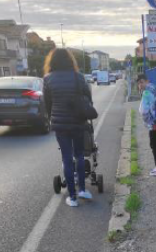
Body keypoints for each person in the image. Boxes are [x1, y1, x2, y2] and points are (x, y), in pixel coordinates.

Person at [43, 48, 93, 207]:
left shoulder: (48, 79)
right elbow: (88, 97)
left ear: (52, 61)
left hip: (60, 125)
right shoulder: (78, 77)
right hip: (78, 121)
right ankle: (83, 189)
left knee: (66, 157)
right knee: (79, 155)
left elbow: (47, 104)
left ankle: (72, 197)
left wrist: (52, 118)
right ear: (70, 61)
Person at [137, 74, 156, 177]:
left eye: (141, 82)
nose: (140, 85)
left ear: (146, 81)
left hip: (153, 123)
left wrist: (147, 122)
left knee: (154, 145)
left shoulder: (146, 92)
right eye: (139, 83)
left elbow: (143, 110)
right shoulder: (155, 87)